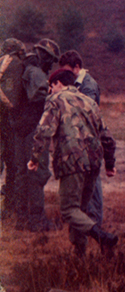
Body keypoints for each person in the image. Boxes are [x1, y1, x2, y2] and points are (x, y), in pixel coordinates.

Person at [27, 67, 117, 257]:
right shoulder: (89, 101)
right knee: (80, 210)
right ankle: (79, 253)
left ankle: (101, 237)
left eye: (51, 87)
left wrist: (34, 158)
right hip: (93, 162)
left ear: (59, 83)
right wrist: (109, 164)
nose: (50, 91)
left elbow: (44, 130)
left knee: (69, 210)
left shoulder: (55, 100)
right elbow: (107, 136)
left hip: (71, 161)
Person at [13, 39, 58, 231]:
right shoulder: (35, 72)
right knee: (37, 173)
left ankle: (22, 219)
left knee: (22, 174)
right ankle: (37, 220)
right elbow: (41, 94)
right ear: (44, 55)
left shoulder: (23, 68)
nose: (51, 64)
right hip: (32, 131)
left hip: (18, 129)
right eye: (51, 59)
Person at [59, 50, 103, 226]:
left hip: (89, 142)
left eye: (68, 70)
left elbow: (87, 113)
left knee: (93, 185)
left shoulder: (88, 86)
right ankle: (87, 221)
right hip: (82, 142)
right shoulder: (78, 83)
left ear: (77, 68)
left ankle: (95, 222)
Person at [0, 39, 26, 220]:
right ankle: (9, 207)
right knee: (12, 164)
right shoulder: (17, 64)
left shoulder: (1, 62)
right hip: (8, 123)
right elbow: (13, 99)